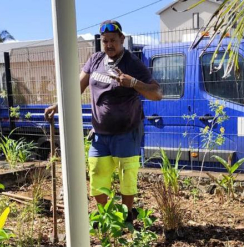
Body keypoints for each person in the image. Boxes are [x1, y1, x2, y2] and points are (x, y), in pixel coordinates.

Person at [45, 20, 162, 221]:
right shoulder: (96, 59)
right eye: (105, 41)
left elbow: (157, 93)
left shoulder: (132, 63)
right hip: (100, 133)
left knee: (127, 177)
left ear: (122, 39)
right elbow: (77, 87)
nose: (109, 45)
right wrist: (59, 105)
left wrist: (133, 82)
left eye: (113, 40)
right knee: (97, 173)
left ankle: (126, 218)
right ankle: (107, 217)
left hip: (127, 132)